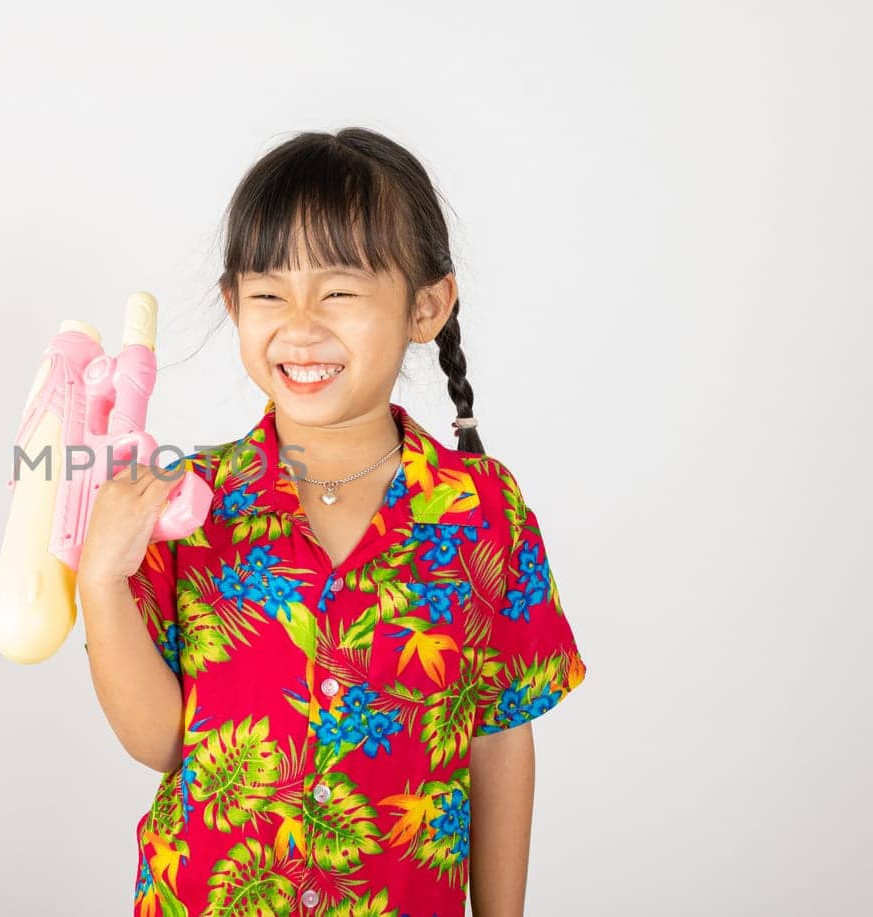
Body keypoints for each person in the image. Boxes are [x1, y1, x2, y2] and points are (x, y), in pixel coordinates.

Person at [78, 127, 587, 917]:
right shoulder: (188, 505)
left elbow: (500, 736)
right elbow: (164, 743)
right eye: (269, 293)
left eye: (340, 291)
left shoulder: (483, 509)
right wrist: (102, 581)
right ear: (233, 305)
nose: (301, 324)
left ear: (427, 305)